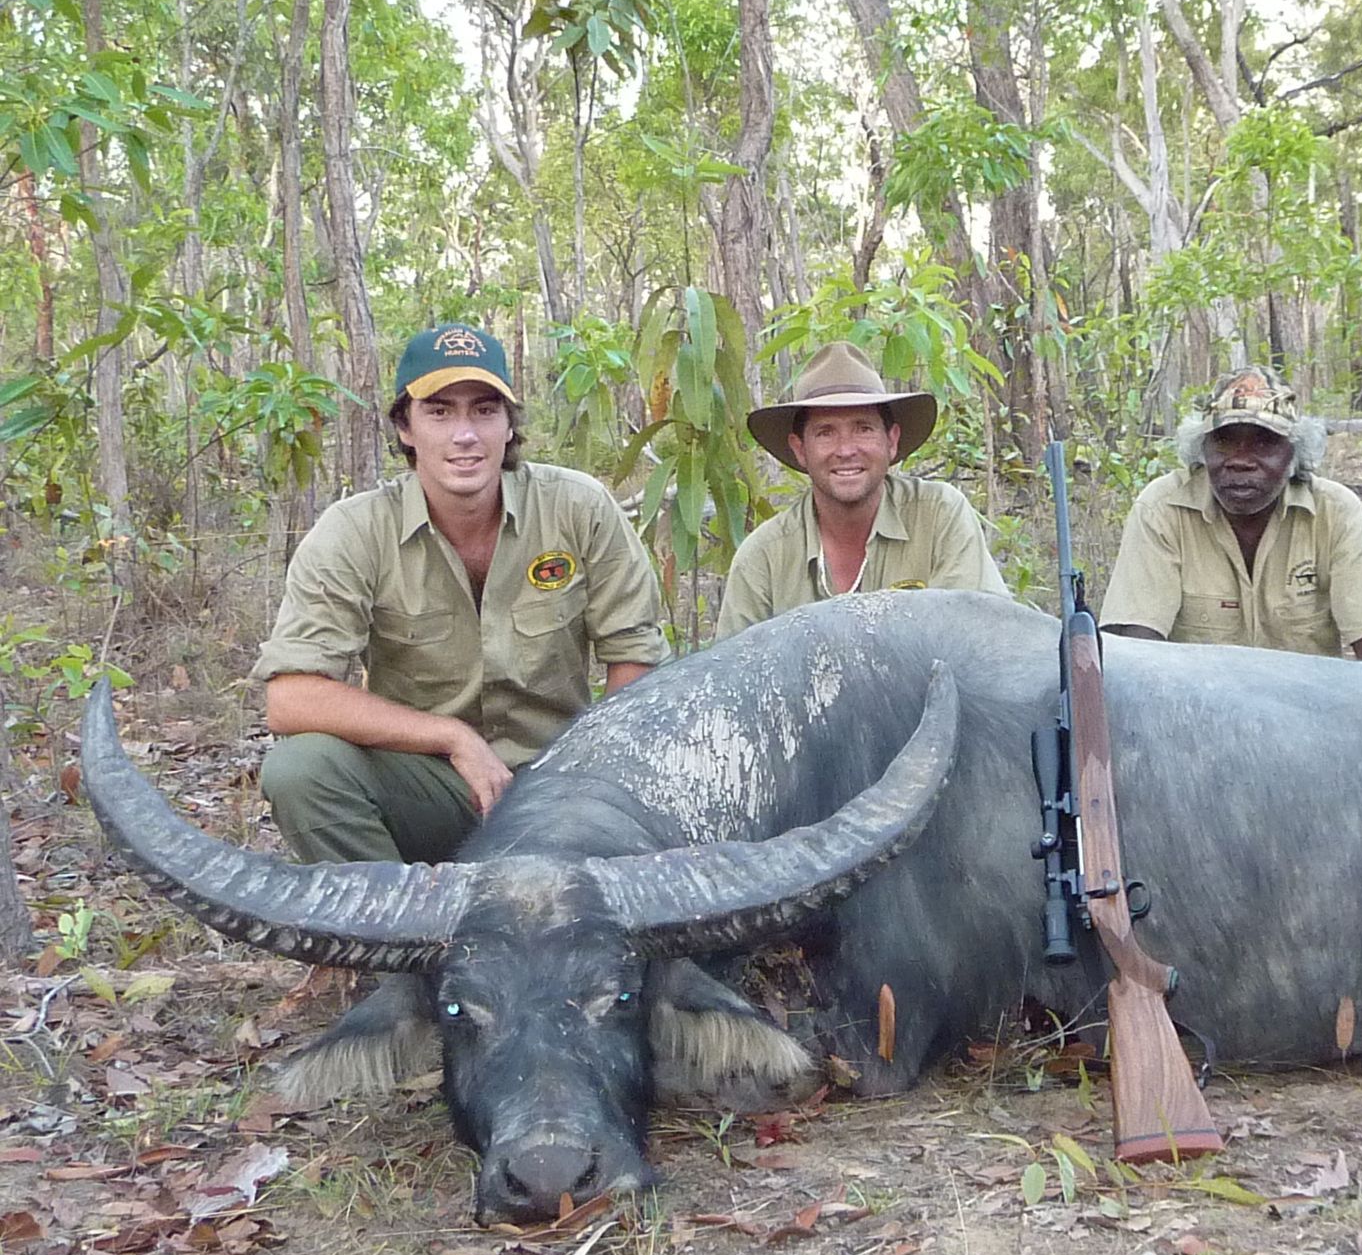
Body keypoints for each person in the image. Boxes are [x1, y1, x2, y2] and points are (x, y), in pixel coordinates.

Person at [253, 322, 670, 870]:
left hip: (564, 789)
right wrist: (449, 737)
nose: (464, 435)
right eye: (440, 411)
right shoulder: (354, 531)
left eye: (484, 410)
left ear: (508, 425)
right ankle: (395, 941)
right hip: (433, 788)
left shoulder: (579, 507)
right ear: (405, 427)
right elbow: (291, 699)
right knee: (298, 770)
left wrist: (587, 785)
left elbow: (635, 661)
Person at [1100, 367, 1362, 660]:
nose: (1240, 460)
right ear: (1201, 450)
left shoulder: (1336, 513)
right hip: (1197, 707)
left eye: (1263, 442)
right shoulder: (1162, 510)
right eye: (1224, 441)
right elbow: (1135, 654)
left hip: (1307, 707)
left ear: (1294, 455)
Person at [714, 341, 1009, 639]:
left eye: (863, 428)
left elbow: (978, 640)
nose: (845, 450)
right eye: (825, 432)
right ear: (800, 449)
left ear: (891, 441)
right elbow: (733, 675)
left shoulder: (939, 516)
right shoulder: (762, 558)